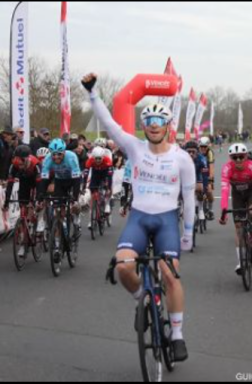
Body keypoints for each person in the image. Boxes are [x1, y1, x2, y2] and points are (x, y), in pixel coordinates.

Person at [82, 73, 195, 362]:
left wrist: (188, 233)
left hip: (167, 220)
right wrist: (93, 93)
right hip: (139, 218)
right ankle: (141, 298)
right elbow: (109, 123)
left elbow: (190, 197)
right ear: (144, 126)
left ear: (168, 126)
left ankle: (178, 335)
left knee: (170, 275)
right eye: (149, 122)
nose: (154, 127)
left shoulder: (182, 158)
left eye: (159, 122)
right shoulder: (134, 147)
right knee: (122, 267)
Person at [219, 143, 252, 275]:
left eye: (241, 156)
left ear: (246, 156)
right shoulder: (226, 169)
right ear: (230, 158)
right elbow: (224, 191)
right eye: (235, 157)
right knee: (239, 227)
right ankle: (241, 261)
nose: (238, 160)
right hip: (237, 195)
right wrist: (223, 211)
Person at [3, 146, 43, 252]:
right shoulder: (14, 165)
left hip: (35, 183)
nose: (20, 164)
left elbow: (40, 185)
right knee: (22, 209)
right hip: (24, 182)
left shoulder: (36, 164)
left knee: (32, 205)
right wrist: (7, 201)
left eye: (22, 161)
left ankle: (37, 222)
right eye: (18, 160)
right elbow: (10, 185)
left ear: (27, 158)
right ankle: (23, 238)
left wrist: (38, 199)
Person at [83, 146, 114, 230]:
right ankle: (91, 221)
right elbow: (85, 174)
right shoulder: (90, 160)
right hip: (95, 175)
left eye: (99, 159)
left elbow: (110, 176)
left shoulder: (108, 160)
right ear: (93, 157)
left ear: (103, 157)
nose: (97, 161)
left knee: (108, 189)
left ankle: (107, 204)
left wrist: (108, 187)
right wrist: (83, 185)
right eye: (96, 159)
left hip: (105, 174)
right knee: (93, 197)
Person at [199, 137, 215, 221]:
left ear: (208, 146)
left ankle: (211, 210)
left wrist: (210, 181)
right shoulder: (197, 152)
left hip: (208, 173)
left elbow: (211, 167)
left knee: (209, 191)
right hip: (199, 173)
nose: (203, 148)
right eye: (201, 146)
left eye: (205, 147)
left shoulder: (210, 153)